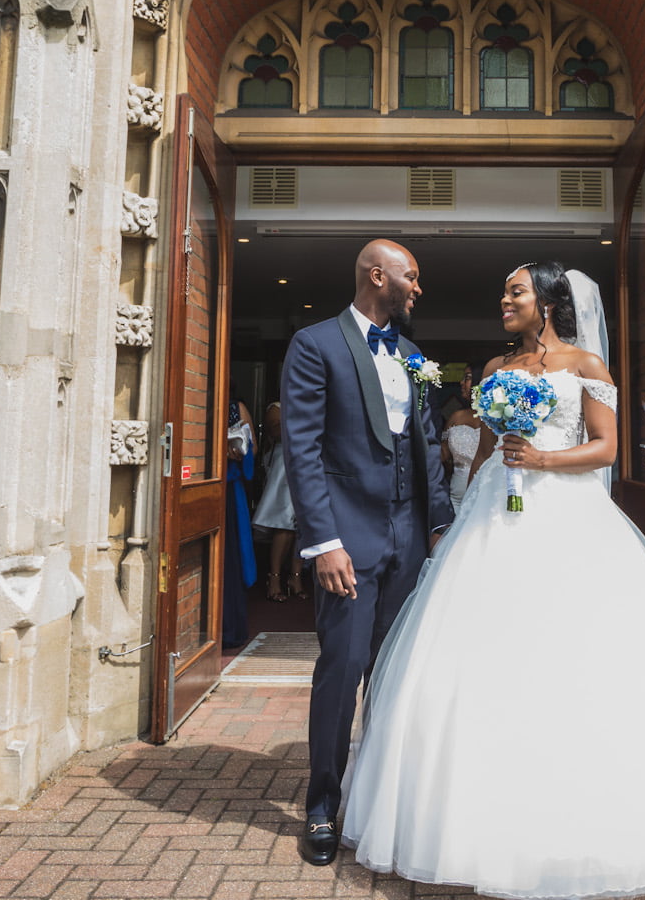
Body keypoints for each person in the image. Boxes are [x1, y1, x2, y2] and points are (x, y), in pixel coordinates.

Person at [339, 262, 645, 899]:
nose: (504, 301)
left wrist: (544, 457)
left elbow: (606, 449)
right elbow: (493, 447)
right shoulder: (496, 373)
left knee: (575, 648)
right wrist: (465, 510)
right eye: (504, 291)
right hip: (497, 513)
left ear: (547, 304)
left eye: (515, 292)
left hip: (568, 515)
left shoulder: (587, 368)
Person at [279, 239, 453, 868]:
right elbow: (302, 451)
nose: (418, 289)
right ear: (379, 276)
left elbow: (427, 448)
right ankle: (322, 806)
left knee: (395, 673)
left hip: (408, 538)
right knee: (343, 670)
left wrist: (440, 527)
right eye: (413, 277)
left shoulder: (412, 355)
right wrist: (322, 541)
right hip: (347, 539)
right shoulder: (316, 344)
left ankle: (379, 799)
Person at [250, 401, 302, 602]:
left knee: (303, 523)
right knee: (285, 521)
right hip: (285, 466)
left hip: (311, 461)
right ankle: (274, 578)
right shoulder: (276, 408)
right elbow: (276, 434)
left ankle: (295, 578)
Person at [220, 399, 257, 650]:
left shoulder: (237, 407)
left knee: (231, 556)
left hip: (230, 489)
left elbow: (252, 449)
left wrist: (237, 448)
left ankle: (230, 627)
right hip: (209, 484)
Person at [439, 365, 485, 518]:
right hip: (456, 495)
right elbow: (443, 454)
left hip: (486, 489)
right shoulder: (456, 417)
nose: (461, 382)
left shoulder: (495, 418)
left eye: (467, 378)